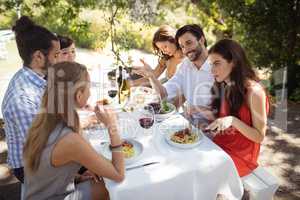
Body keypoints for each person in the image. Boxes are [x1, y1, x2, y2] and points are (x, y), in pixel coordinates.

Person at [23, 62, 124, 200]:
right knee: (112, 189)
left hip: (36, 193)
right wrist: (112, 127)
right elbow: (118, 174)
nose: (90, 92)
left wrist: (76, 178)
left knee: (98, 179)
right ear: (78, 95)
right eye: (89, 87)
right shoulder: (70, 140)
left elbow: (44, 170)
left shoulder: (44, 119)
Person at [1, 16, 60, 183]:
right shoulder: (22, 99)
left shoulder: (39, 77)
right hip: (31, 167)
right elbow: (43, 152)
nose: (59, 61)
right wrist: (75, 175)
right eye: (55, 55)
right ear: (39, 57)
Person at [206, 39, 269, 177]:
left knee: (201, 173)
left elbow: (259, 136)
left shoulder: (255, 92)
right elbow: (223, 118)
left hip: (241, 156)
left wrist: (233, 120)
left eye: (217, 63)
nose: (212, 70)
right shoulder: (225, 85)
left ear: (233, 62)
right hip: (222, 144)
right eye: (211, 65)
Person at [133, 24, 214, 123]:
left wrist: (199, 110)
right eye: (182, 46)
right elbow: (164, 94)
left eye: (189, 43)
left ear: (201, 40)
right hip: (188, 123)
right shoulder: (186, 65)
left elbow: (228, 115)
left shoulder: (217, 67)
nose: (186, 50)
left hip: (211, 130)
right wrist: (151, 77)